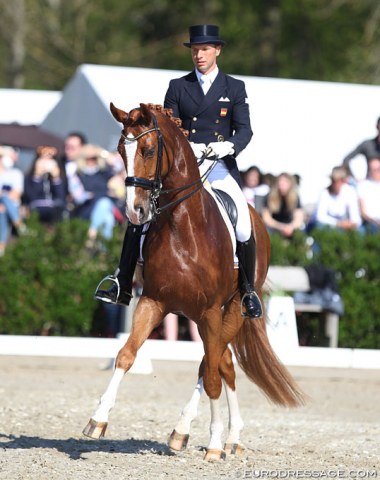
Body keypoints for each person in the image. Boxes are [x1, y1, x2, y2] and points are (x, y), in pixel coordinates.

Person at [95, 24, 263, 319]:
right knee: (141, 216)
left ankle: (248, 290)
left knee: (244, 223)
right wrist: (190, 147)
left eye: (205, 50)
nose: (199, 55)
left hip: (220, 166)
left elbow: (245, 130)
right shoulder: (178, 86)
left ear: (217, 50)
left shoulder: (234, 87)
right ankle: (121, 281)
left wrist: (228, 147)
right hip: (186, 165)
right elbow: (169, 128)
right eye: (195, 50)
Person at [69, 144, 117, 247]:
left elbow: (118, 167)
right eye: (89, 158)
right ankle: (103, 251)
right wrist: (102, 193)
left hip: (106, 206)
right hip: (87, 208)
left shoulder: (104, 172)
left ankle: (92, 234)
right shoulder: (78, 175)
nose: (92, 161)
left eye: (94, 158)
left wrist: (102, 153)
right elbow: (79, 198)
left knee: (106, 212)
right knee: (107, 215)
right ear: (83, 159)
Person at [23, 146, 66, 224]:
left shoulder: (62, 177)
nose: (46, 162)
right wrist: (37, 177)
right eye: (43, 158)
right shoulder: (28, 177)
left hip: (55, 209)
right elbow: (31, 195)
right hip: (36, 208)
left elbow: (61, 197)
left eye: (49, 159)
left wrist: (56, 179)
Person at [311, 166, 362, 231]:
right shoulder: (325, 193)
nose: (335, 183)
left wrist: (350, 224)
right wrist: (338, 223)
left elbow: (356, 217)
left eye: (338, 181)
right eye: (333, 180)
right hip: (331, 226)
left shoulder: (350, 192)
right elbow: (320, 216)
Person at [262, 172, 305, 238]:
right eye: (280, 183)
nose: (281, 185)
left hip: (290, 228)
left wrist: (290, 227)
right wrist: (281, 227)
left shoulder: (295, 197)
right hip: (274, 228)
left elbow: (299, 218)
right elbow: (266, 218)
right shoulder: (269, 197)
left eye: (284, 183)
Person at [0, 146, 25, 256]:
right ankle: (19, 225)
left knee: (5, 201)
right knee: (2, 210)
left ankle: (1, 245)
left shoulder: (16, 173)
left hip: (13, 207)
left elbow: (16, 194)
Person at [357, 157, 380, 233]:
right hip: (371, 222)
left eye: (378, 169)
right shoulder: (363, 185)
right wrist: (376, 222)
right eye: (374, 170)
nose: (377, 172)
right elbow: (363, 211)